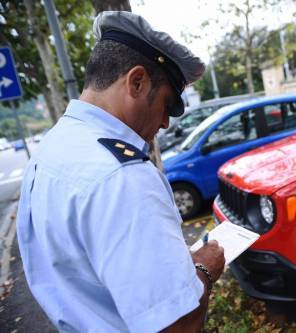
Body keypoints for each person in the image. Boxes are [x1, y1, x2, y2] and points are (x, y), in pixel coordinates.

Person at [16, 11, 225, 333]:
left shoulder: (53, 148)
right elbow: (179, 325)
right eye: (169, 104)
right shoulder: (123, 178)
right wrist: (205, 268)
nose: (167, 122)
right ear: (137, 82)